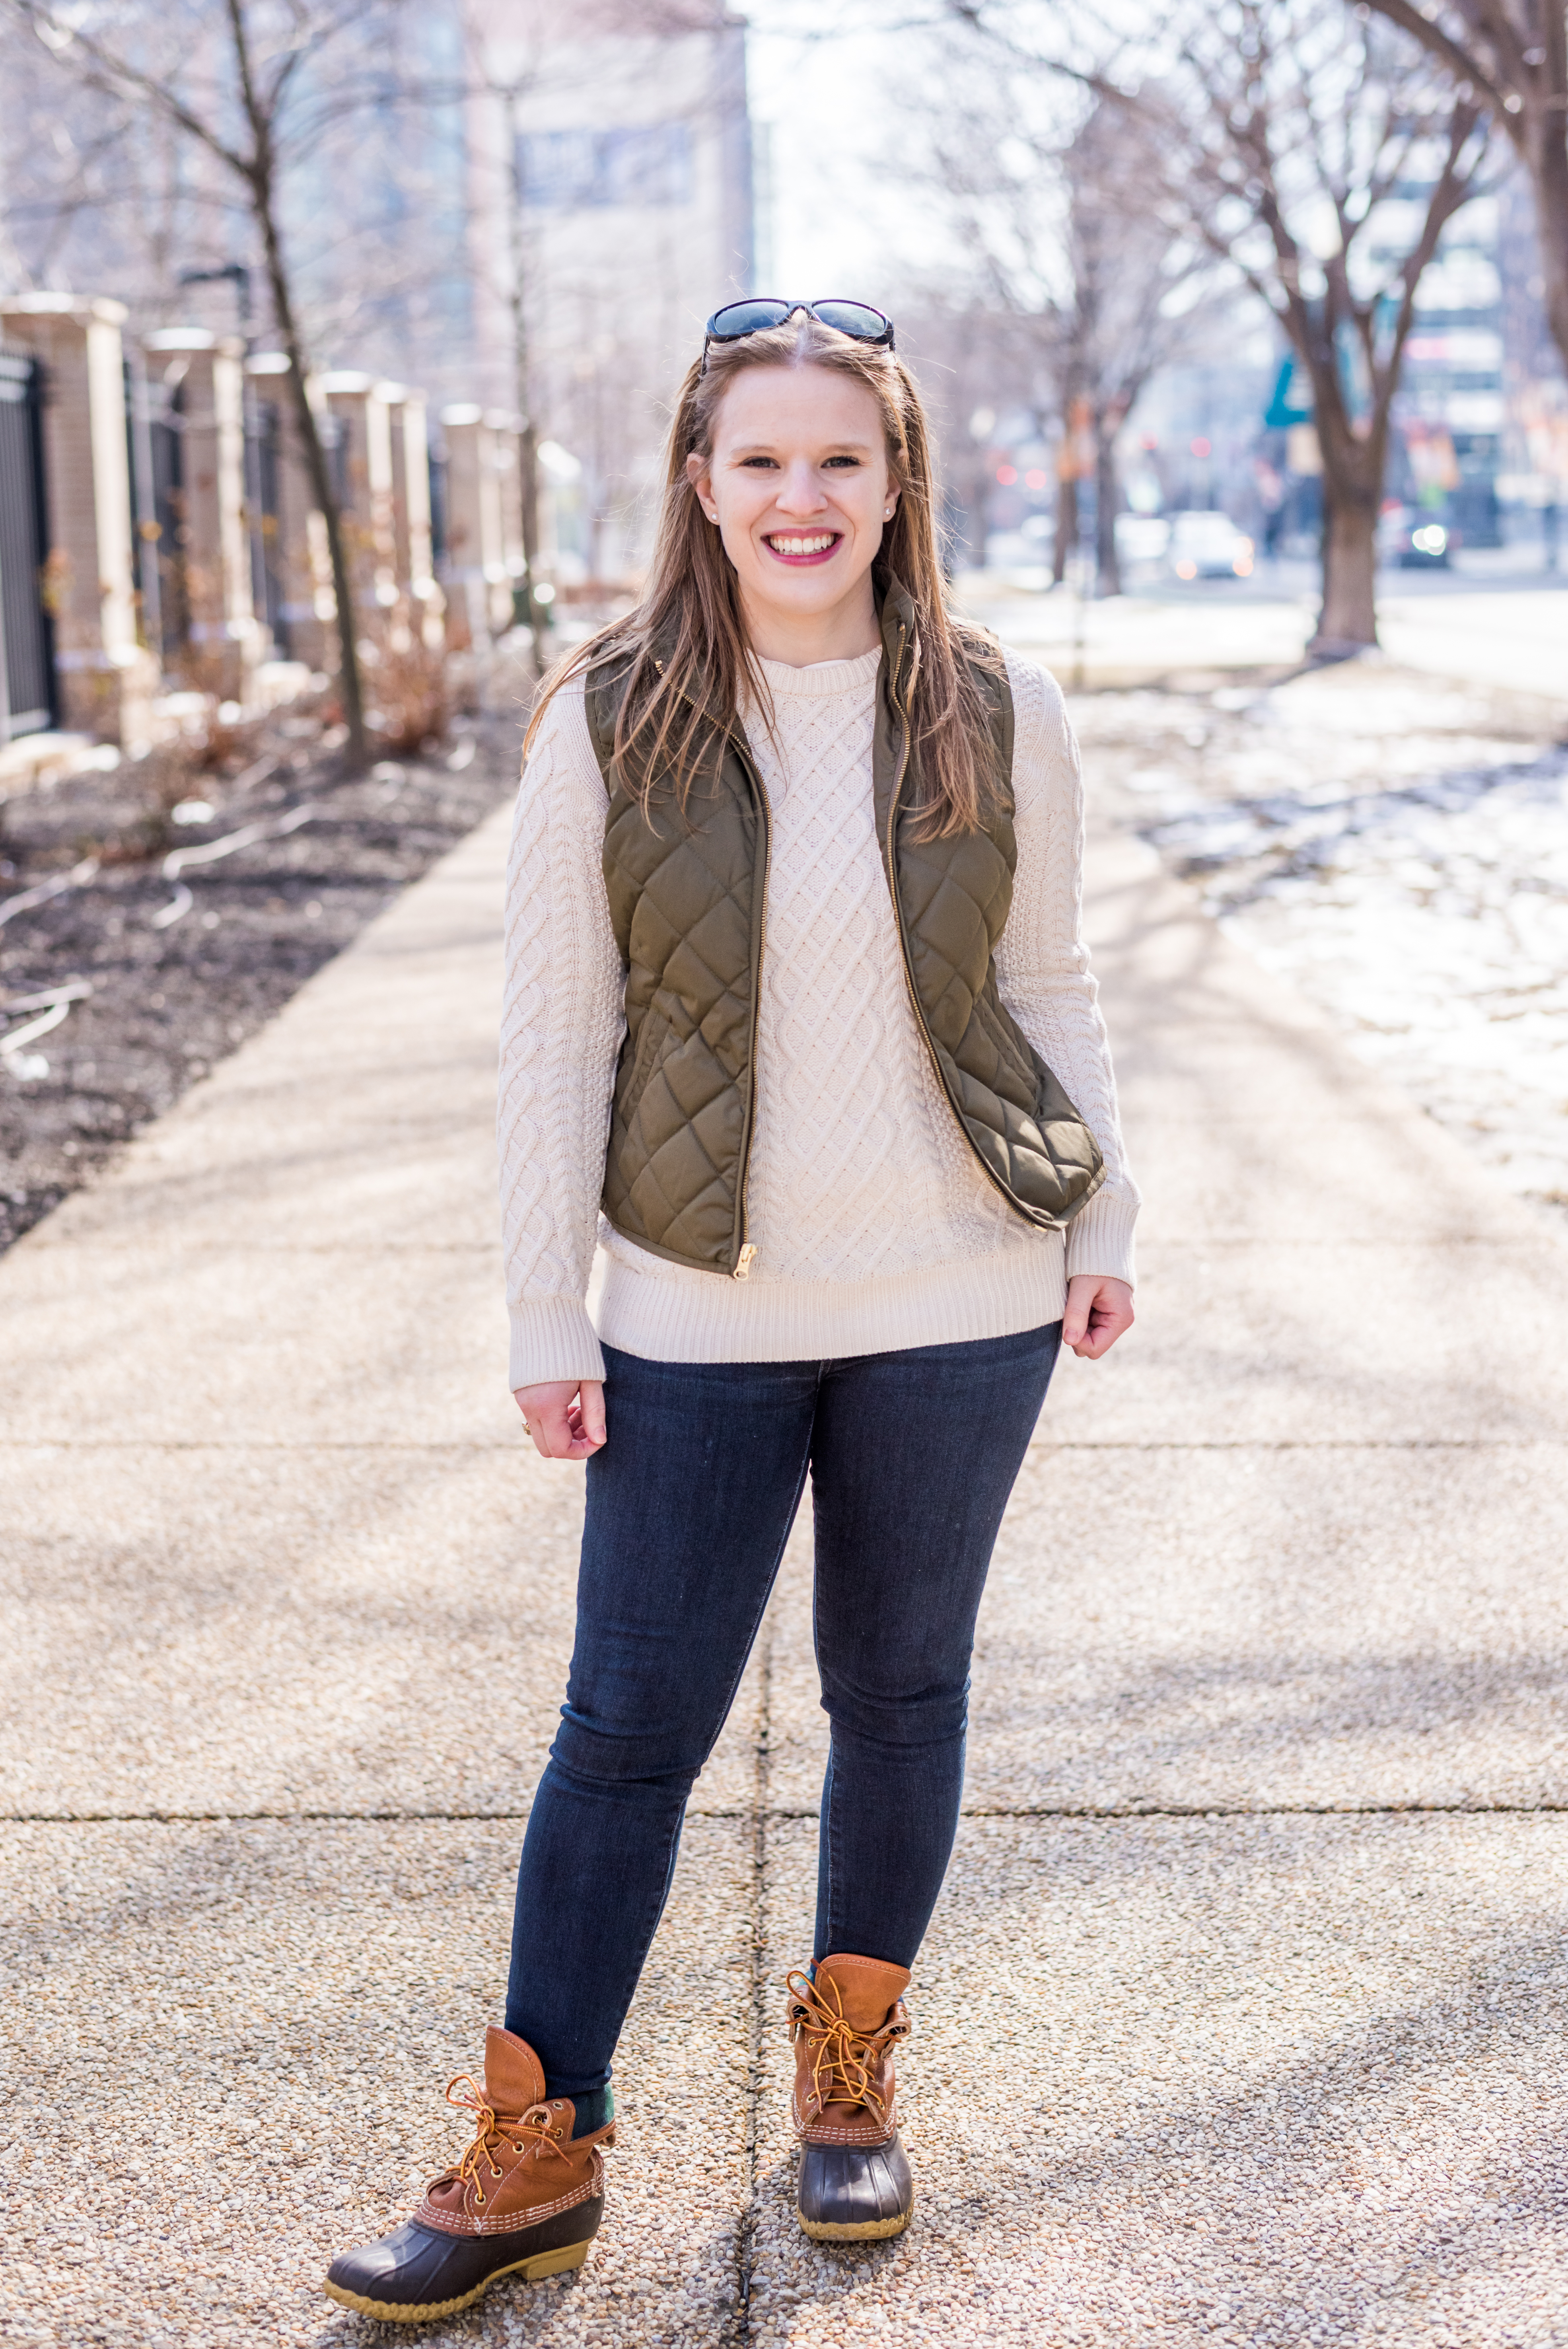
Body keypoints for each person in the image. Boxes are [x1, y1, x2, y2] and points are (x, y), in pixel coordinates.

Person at [324, 298, 1139, 2325]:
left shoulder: (994, 705)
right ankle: (539, 2147)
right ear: (700, 483)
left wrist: (1099, 1212)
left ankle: (847, 2078)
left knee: (903, 1693)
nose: (802, 498)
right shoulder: (610, 719)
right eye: (760, 460)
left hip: (963, 1288)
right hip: (692, 1307)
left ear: (894, 483)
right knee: (625, 1727)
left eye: (839, 461)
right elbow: (550, 1044)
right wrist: (546, 1309)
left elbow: (1050, 989)